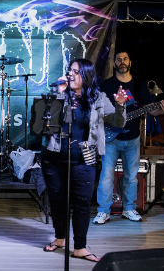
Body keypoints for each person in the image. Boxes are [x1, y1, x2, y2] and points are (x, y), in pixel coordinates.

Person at [41, 58, 126, 262]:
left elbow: (118, 123)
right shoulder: (59, 95)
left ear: (86, 76)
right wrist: (59, 95)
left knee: (82, 203)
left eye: (76, 71)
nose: (70, 74)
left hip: (83, 159)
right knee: (58, 202)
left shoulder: (99, 98)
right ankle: (60, 238)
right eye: (70, 70)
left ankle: (79, 247)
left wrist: (120, 105)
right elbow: (45, 123)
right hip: (55, 157)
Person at [93, 49, 164, 224]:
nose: (122, 61)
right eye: (118, 59)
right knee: (106, 176)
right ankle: (103, 211)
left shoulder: (139, 86)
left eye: (125, 59)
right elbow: (99, 111)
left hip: (133, 139)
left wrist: (162, 110)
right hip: (111, 139)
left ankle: (129, 209)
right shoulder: (106, 85)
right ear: (114, 63)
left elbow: (151, 109)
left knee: (131, 177)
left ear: (130, 63)